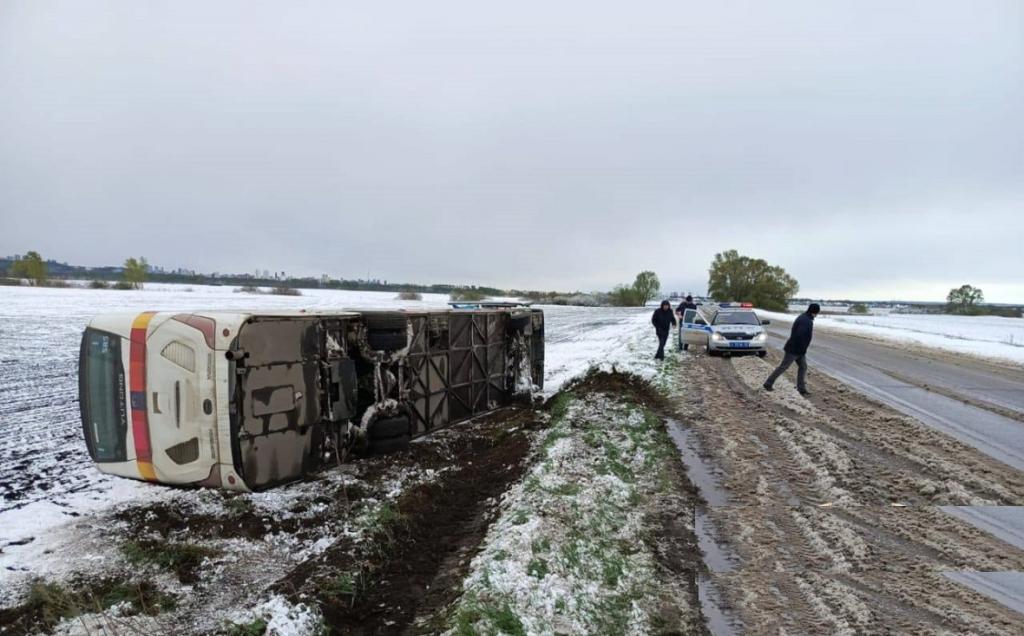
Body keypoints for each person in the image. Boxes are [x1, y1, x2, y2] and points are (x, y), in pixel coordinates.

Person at [763, 303, 820, 396]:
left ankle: (801, 389)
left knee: (803, 367)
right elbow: (799, 335)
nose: (817, 314)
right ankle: (768, 383)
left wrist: (802, 348)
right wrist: (801, 347)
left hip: (799, 350)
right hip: (794, 349)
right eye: (817, 312)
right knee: (783, 367)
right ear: (815, 311)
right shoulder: (805, 320)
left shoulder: (805, 318)